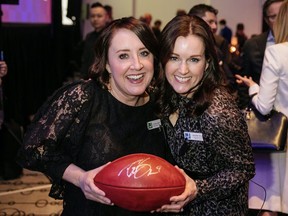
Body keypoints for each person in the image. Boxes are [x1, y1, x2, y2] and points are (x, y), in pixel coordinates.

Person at [17, 17, 174, 215]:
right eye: (123, 56)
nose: (137, 65)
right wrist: (80, 178)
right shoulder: (83, 98)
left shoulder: (160, 103)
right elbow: (33, 149)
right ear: (107, 64)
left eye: (144, 53)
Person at [155, 14, 255, 215]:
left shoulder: (218, 112)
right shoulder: (167, 95)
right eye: (174, 58)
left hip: (216, 209)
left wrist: (198, 189)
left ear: (208, 62)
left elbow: (243, 169)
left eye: (193, 60)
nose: (182, 70)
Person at [235, 1, 288, 215]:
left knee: (270, 205)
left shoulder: (277, 52)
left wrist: (253, 88)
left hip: (279, 140)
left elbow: (264, 107)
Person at [240, 0, 284, 108]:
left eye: (282, 16)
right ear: (266, 20)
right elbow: (243, 82)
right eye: (273, 16)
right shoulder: (253, 44)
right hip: (260, 113)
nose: (279, 20)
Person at [80, 2, 110, 79]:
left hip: (105, 78)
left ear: (106, 17)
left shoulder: (110, 36)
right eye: (92, 16)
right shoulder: (89, 36)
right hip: (89, 79)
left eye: (99, 16)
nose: (95, 19)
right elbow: (85, 60)